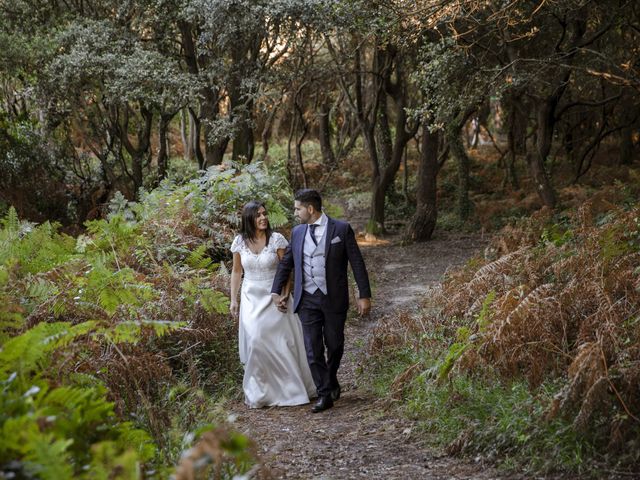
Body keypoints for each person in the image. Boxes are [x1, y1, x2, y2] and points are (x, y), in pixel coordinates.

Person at [271, 189, 371, 413]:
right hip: (307, 299)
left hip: (334, 297)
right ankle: (324, 393)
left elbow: (357, 263)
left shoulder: (341, 229)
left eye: (297, 208)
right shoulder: (297, 233)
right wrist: (276, 291)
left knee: (334, 344)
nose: (295, 213)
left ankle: (331, 377)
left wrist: (364, 294)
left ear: (310, 209)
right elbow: (286, 264)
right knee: (312, 348)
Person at [229, 200, 315, 408]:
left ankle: (291, 390)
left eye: (264, 214)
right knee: (256, 341)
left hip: (274, 295)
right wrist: (233, 299)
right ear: (249, 218)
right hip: (251, 297)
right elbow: (237, 271)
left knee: (281, 342)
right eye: (258, 215)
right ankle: (261, 392)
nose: (263, 218)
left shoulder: (276, 239)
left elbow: (286, 269)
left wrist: (284, 295)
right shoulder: (239, 242)